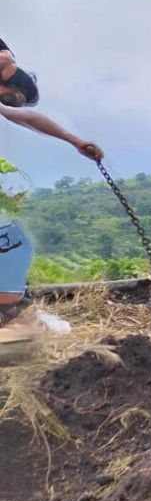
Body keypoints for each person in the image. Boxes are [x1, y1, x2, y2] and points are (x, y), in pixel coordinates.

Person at [0, 36, 105, 344]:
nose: (10, 104)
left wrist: (74, 141)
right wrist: (7, 62)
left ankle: (10, 313)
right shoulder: (5, 63)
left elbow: (24, 117)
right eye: (13, 98)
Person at [0, 37, 104, 161]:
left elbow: (27, 118)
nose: (3, 99)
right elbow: (6, 61)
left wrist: (76, 141)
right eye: (9, 99)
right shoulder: (6, 62)